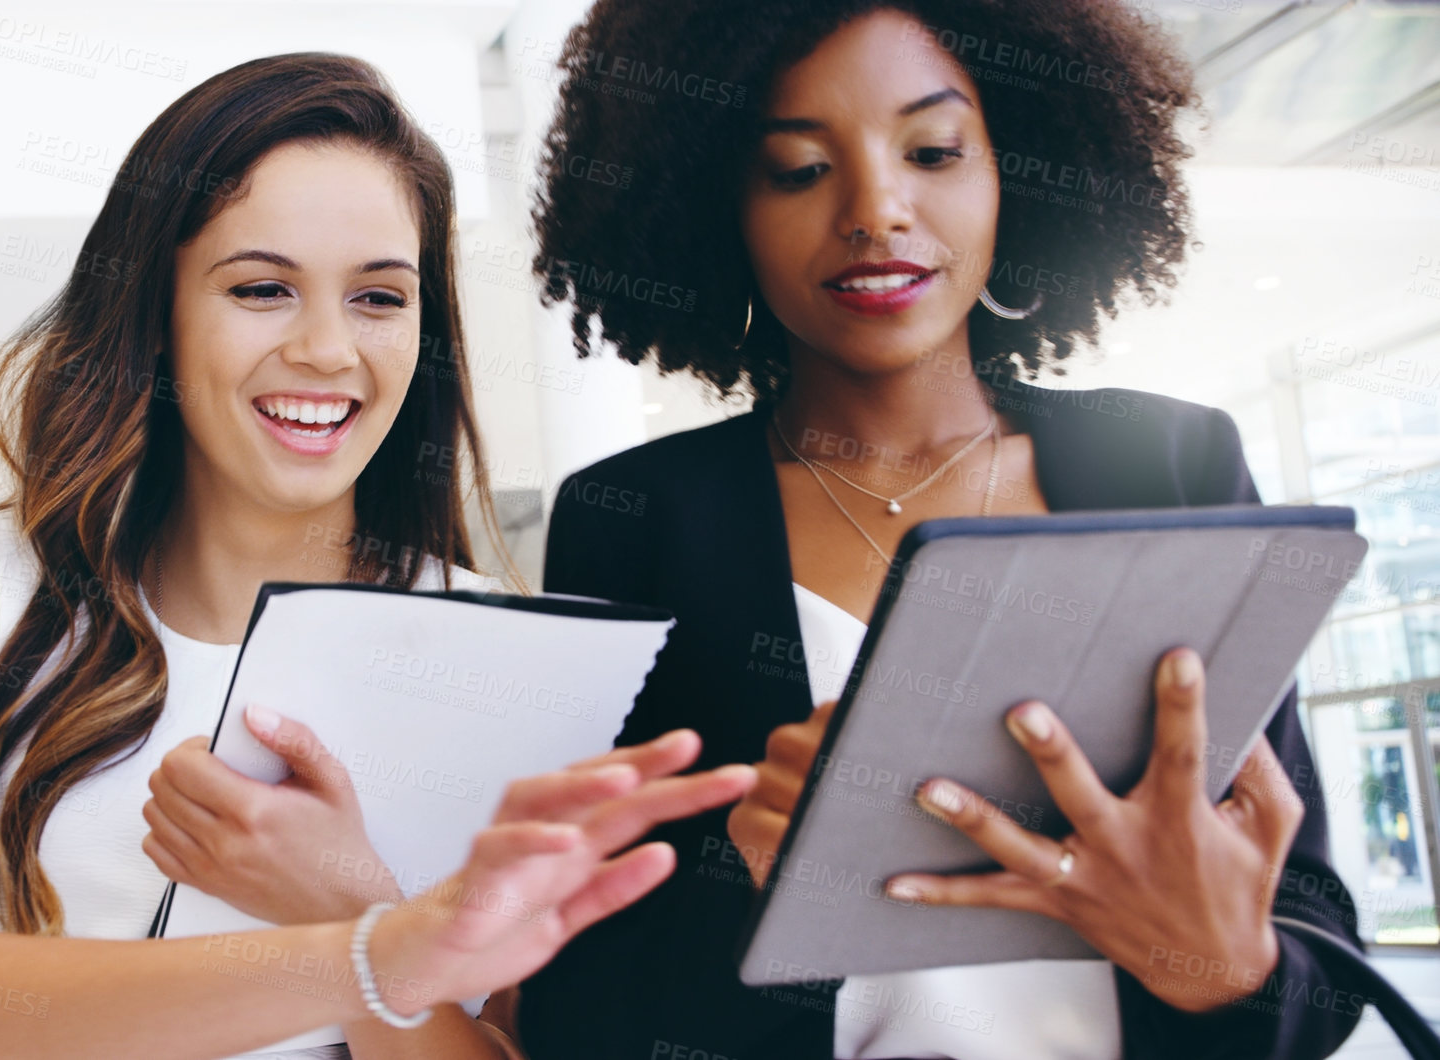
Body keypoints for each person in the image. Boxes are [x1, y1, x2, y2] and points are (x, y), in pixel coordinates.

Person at [0, 53, 755, 1060]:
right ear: (153, 312)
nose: (325, 349)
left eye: (379, 298)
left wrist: (346, 904)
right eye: (262, 288)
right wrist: (374, 952)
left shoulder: (498, 642)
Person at [509, 3, 1365, 1059]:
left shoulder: (1173, 465)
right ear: (710, 206)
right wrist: (748, 888)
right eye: (795, 168)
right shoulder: (632, 519)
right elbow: (578, 1010)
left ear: (1018, 168)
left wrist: (1224, 964)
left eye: (933, 150)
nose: (876, 209)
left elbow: (1318, 965)